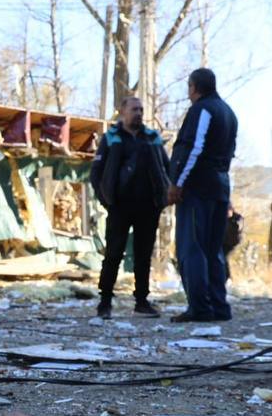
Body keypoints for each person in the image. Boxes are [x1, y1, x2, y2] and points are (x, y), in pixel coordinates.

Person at [89, 95, 171, 319]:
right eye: (134, 109)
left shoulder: (152, 137)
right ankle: (105, 302)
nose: (138, 113)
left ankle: (142, 302)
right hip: (120, 207)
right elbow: (96, 172)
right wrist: (106, 199)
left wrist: (164, 197)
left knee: (143, 255)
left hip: (148, 206)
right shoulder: (111, 137)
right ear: (122, 111)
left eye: (141, 110)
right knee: (113, 254)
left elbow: (167, 167)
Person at [167, 68, 238, 323]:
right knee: (213, 250)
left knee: (193, 249)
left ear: (194, 87)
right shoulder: (229, 113)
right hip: (219, 188)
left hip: (198, 190)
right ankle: (219, 306)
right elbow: (228, 156)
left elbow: (194, 148)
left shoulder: (202, 110)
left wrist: (178, 183)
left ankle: (200, 308)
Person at [222, 205, 243, 280]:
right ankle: (227, 277)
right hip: (226, 241)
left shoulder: (236, 219)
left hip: (228, 242)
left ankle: (227, 277)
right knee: (222, 258)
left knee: (222, 257)